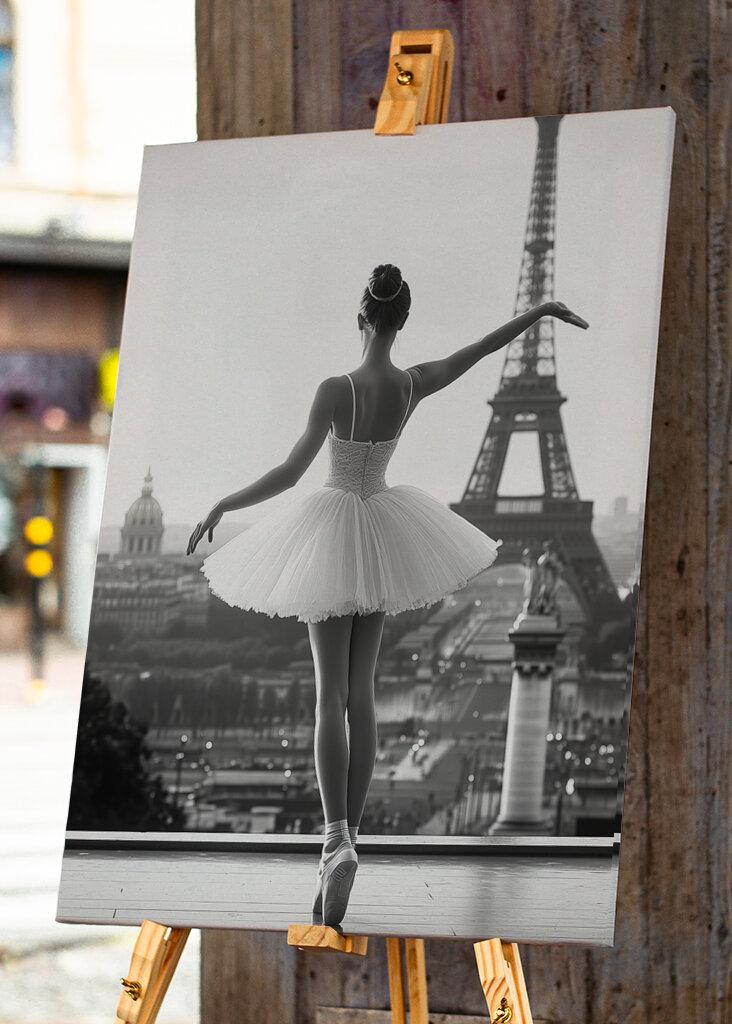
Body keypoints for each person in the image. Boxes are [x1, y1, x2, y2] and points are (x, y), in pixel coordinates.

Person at [187, 263, 588, 926]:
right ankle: (354, 838)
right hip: (381, 528)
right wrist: (540, 310)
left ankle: (334, 833)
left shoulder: (335, 388)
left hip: (332, 525)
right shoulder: (411, 385)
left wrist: (225, 504)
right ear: (402, 322)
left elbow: (290, 472)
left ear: (361, 318)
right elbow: (483, 349)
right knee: (364, 698)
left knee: (329, 697)